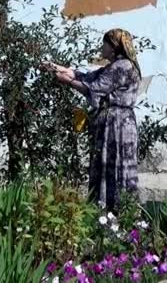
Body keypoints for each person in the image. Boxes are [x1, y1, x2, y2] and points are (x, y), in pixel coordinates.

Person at [42, 28, 141, 210]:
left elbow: (93, 88)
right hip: (119, 121)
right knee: (113, 164)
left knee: (113, 165)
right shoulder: (118, 65)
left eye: (104, 44)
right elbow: (87, 76)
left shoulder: (121, 67)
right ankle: (114, 210)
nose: (101, 48)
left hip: (116, 124)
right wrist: (57, 68)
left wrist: (67, 82)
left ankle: (112, 210)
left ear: (113, 47)